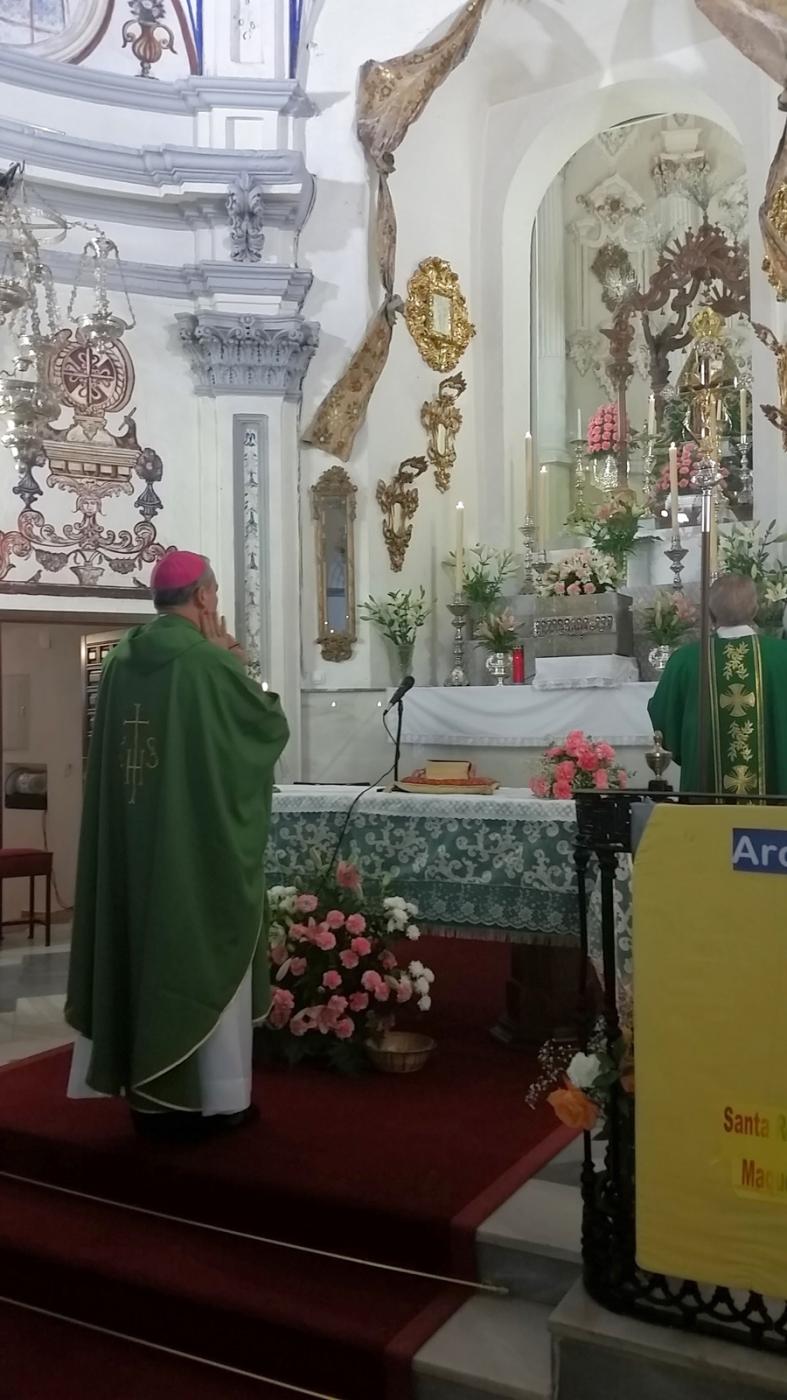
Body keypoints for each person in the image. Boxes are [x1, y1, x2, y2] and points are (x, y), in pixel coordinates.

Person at [65, 551, 289, 1139]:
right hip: (193, 852)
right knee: (199, 948)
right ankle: (212, 1102)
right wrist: (238, 662)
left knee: (138, 947)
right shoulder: (207, 663)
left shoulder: (119, 659)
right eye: (214, 592)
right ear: (207, 598)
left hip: (132, 848)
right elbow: (263, 730)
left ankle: (146, 1097)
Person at [648, 572, 787, 795]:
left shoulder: (685, 661)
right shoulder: (783, 656)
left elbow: (664, 719)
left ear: (711, 613)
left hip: (705, 805)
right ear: (755, 610)